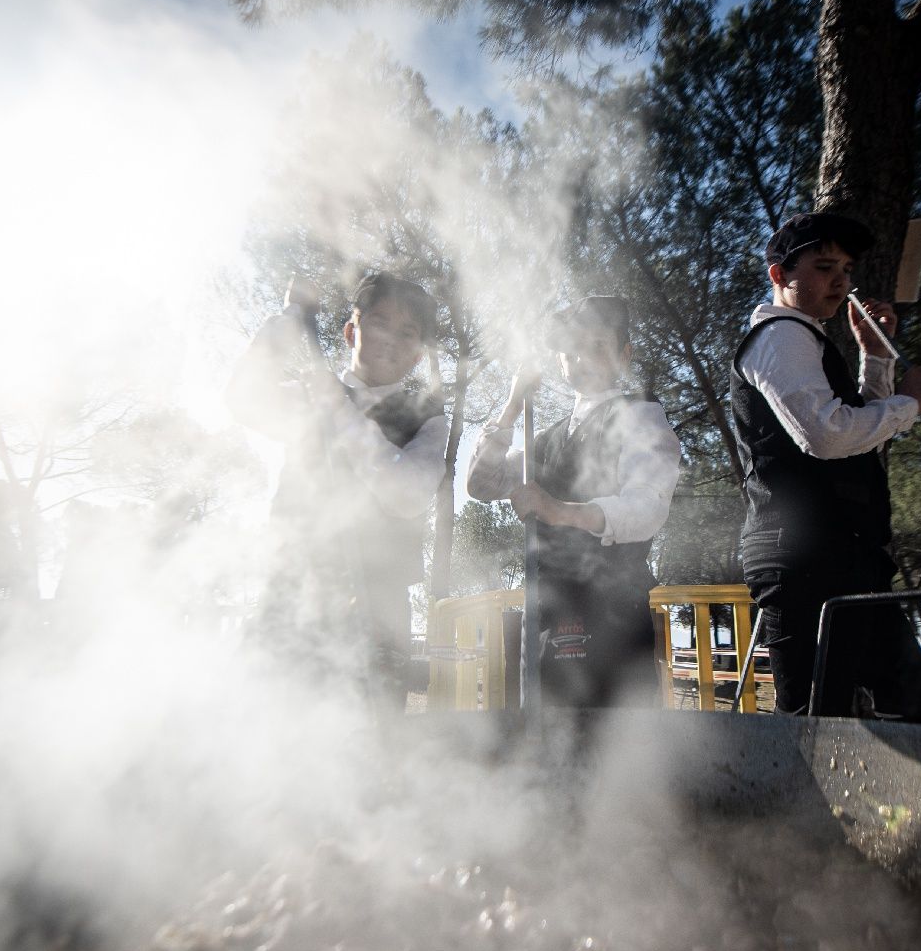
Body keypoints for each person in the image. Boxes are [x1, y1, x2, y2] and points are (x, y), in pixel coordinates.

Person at [727, 213, 921, 723]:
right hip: (804, 559)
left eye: (847, 270)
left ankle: (886, 804)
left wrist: (875, 360)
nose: (841, 282)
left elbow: (857, 439)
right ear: (780, 276)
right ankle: (801, 805)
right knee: (815, 724)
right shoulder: (780, 337)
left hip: (844, 556)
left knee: (918, 711)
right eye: (825, 266)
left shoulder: (807, 341)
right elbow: (826, 436)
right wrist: (912, 404)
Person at [227, 271, 448, 716]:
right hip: (294, 594)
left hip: (380, 613)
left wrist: (340, 412)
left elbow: (406, 494)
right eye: (381, 322)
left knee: (373, 747)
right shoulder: (310, 396)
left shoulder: (429, 419)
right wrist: (292, 316)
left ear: (419, 354)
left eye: (409, 333)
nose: (393, 339)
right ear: (352, 330)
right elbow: (243, 399)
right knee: (276, 731)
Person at [467, 296, 681, 734]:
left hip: (613, 613)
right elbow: (481, 483)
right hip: (550, 613)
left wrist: (558, 510)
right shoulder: (544, 440)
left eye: (598, 345)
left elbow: (647, 508)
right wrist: (511, 404)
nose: (583, 358)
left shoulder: (640, 413)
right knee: (550, 745)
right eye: (572, 349)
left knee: (620, 751)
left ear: (625, 354)